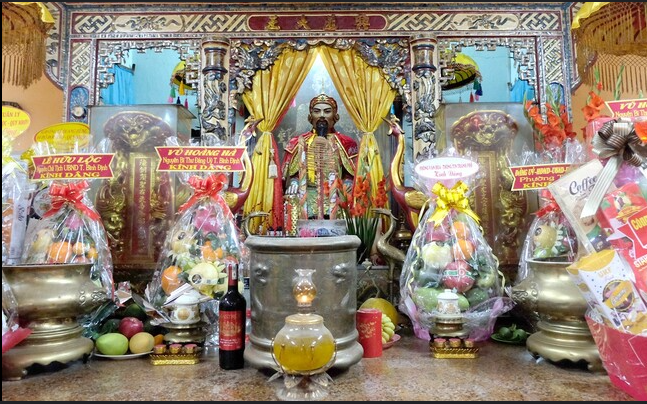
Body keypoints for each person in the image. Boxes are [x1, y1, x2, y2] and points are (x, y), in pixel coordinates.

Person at [282, 93, 358, 220]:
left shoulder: (346, 143)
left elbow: (350, 174)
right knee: (293, 202)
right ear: (310, 116)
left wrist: (348, 183)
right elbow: (294, 174)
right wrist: (294, 183)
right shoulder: (299, 142)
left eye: (327, 111)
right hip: (306, 194)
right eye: (317, 111)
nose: (322, 115)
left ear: (335, 116)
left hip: (335, 194)